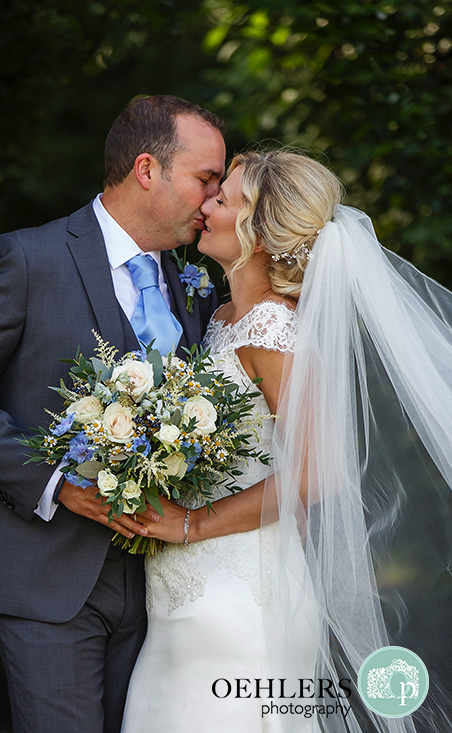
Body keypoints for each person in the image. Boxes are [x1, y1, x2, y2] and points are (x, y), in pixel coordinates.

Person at [0, 94, 226, 732]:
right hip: (46, 573)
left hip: (166, 589)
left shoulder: (196, 283)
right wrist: (57, 484)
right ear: (147, 169)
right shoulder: (28, 258)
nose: (215, 199)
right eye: (206, 179)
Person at [127, 149, 452, 732]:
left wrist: (192, 524)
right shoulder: (226, 318)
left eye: (221, 199)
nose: (206, 205)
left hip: (237, 589)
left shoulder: (275, 329)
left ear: (257, 231)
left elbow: (316, 471)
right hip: (187, 586)